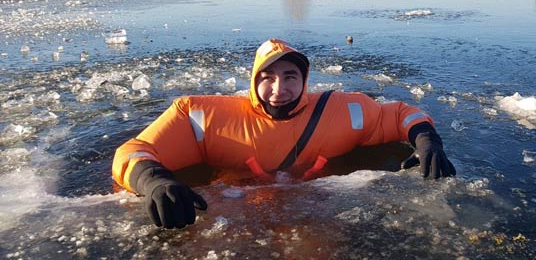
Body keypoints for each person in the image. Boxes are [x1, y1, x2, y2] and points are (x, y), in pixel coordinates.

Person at [112, 38, 456, 229]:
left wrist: (427, 140)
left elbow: (398, 114)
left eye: (290, 76)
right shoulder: (203, 117)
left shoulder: (343, 113)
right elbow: (134, 151)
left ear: (304, 81)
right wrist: (154, 182)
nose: (279, 88)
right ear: (254, 80)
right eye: (268, 77)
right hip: (230, 211)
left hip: (314, 210)